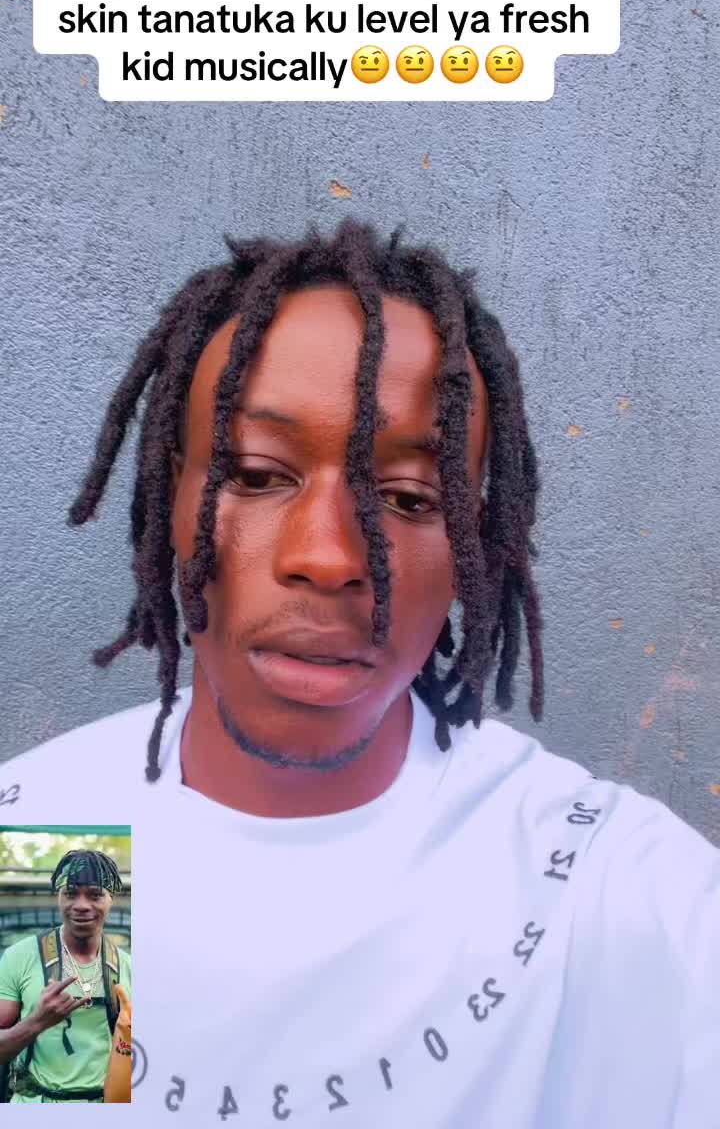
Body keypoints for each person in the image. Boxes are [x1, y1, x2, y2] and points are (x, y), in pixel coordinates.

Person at [0, 218, 717, 1126]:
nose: (331, 557)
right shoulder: (35, 841)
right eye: (257, 474)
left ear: (474, 548)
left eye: (411, 498)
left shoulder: (610, 891)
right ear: (173, 498)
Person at [0, 849, 131, 1103]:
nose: (81, 905)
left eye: (95, 894)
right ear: (59, 897)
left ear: (111, 899)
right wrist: (36, 1022)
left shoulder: (129, 967)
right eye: (70, 893)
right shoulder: (20, 957)